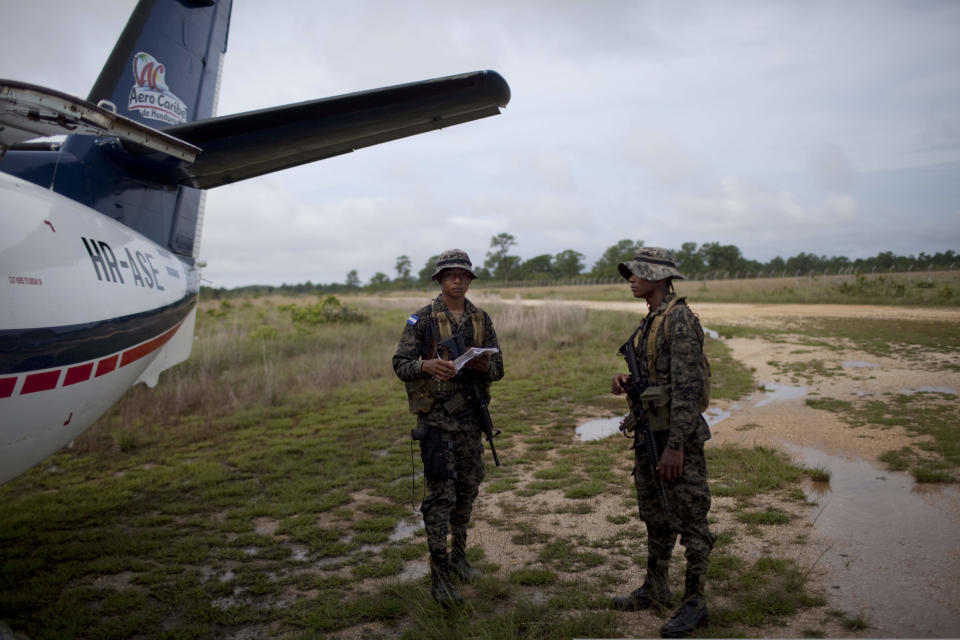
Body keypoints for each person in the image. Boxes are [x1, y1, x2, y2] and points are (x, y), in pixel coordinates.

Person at [609, 247, 715, 638]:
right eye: (630, 274)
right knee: (656, 515)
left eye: (637, 274)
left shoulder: (680, 320)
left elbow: (687, 392)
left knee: (691, 519)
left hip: (674, 437)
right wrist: (625, 382)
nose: (631, 279)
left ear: (658, 277)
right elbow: (657, 378)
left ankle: (695, 603)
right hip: (649, 431)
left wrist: (676, 446)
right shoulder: (652, 320)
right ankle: (655, 587)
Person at [392, 249, 504, 607]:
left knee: (467, 491)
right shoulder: (422, 319)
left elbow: (500, 368)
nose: (456, 280)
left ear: (470, 280)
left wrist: (485, 366)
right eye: (449, 275)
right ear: (440, 280)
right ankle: (439, 575)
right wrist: (427, 366)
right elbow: (400, 364)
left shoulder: (481, 319)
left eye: (462, 275)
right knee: (441, 497)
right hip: (437, 423)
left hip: (471, 422)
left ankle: (459, 557)